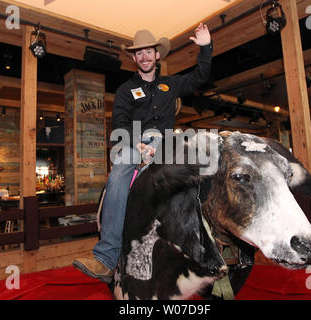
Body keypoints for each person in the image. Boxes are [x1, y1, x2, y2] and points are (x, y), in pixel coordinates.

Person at [73, 23, 213, 283]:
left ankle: (210, 241)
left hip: (167, 141)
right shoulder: (126, 90)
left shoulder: (171, 84)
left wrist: (205, 47)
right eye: (139, 53)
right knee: (118, 174)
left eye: (149, 52)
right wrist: (136, 142)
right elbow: (120, 121)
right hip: (133, 141)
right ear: (134, 58)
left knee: (203, 158)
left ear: (157, 55)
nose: (145, 57)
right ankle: (107, 257)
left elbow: (200, 75)